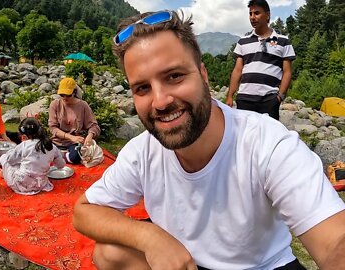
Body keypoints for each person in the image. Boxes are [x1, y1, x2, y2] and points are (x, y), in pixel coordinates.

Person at [73, 10, 345, 269]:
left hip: (263, 266)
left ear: (203, 76)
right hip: (189, 263)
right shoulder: (142, 151)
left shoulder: (267, 143)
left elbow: (335, 244)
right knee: (109, 253)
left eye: (174, 76)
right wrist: (149, 236)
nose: (160, 101)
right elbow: (84, 211)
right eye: (142, 87)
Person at [225, 0, 295, 120]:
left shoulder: (283, 42)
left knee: (268, 137)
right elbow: (237, 70)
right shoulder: (243, 41)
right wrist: (230, 95)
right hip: (244, 99)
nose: (252, 17)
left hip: (269, 100)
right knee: (245, 136)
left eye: (256, 13)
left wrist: (280, 96)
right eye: (250, 13)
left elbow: (287, 72)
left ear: (267, 15)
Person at [0, 117, 65, 195]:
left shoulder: (24, 145)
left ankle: (5, 173)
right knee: (24, 162)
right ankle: (6, 173)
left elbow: (10, 160)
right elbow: (61, 165)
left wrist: (12, 150)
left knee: (4, 157)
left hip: (21, 184)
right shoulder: (51, 146)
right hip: (40, 184)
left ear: (24, 136)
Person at [48, 77, 100, 164]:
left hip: (73, 143)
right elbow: (53, 128)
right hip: (56, 140)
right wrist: (71, 137)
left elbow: (94, 126)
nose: (64, 98)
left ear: (74, 92)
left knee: (75, 157)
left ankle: (59, 156)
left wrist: (90, 136)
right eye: (62, 95)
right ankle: (60, 156)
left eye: (68, 95)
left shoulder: (83, 105)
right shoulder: (55, 104)